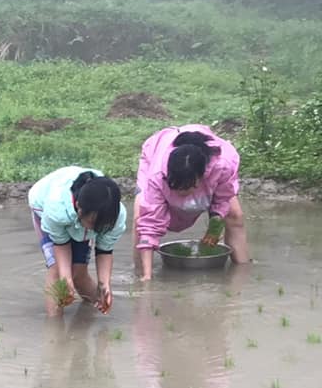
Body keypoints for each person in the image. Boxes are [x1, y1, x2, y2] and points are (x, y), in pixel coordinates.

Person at [133, 124, 250, 281]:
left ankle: (242, 272)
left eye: (186, 188)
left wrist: (216, 221)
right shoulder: (158, 174)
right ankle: (141, 273)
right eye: (176, 188)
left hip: (207, 163)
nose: (182, 194)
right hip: (156, 152)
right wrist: (147, 278)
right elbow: (149, 224)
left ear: (202, 178)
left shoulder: (223, 164)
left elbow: (222, 198)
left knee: (235, 215)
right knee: (139, 217)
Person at [29, 166, 126, 317]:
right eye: (94, 225)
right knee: (57, 270)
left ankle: (95, 308)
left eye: (102, 227)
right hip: (43, 207)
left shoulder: (114, 216)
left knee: (79, 274)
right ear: (79, 209)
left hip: (82, 214)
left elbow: (105, 250)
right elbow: (60, 243)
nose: (97, 230)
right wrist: (66, 277)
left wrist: (104, 284)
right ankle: (55, 328)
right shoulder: (57, 210)